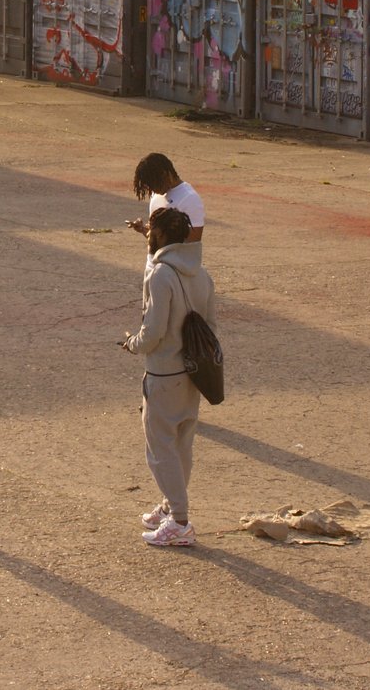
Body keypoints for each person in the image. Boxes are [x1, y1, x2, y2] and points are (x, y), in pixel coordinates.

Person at [120, 205, 215, 547]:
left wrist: (133, 344)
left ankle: (180, 520)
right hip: (193, 373)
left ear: (159, 236)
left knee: (160, 449)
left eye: (149, 232)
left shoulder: (159, 274)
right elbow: (211, 327)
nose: (147, 236)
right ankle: (170, 506)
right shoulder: (201, 274)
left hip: (163, 373)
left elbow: (154, 331)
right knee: (181, 444)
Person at [126, 152, 205, 248]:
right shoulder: (156, 196)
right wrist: (144, 230)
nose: (153, 189)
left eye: (154, 183)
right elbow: (156, 240)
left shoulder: (190, 198)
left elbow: (193, 245)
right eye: (149, 186)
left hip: (174, 263)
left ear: (165, 174)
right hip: (153, 262)